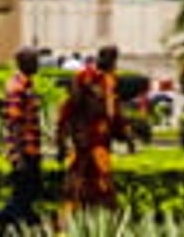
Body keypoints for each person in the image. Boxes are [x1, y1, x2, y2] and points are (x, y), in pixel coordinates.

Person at [56, 44, 135, 217]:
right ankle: (69, 224)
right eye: (109, 58)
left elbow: (114, 113)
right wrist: (61, 140)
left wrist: (127, 136)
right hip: (83, 143)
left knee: (102, 184)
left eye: (113, 58)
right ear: (101, 57)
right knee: (78, 184)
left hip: (101, 142)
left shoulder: (111, 81)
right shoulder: (84, 77)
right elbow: (68, 109)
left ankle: (103, 224)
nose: (112, 62)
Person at [0, 45, 44, 230]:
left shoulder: (28, 84)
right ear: (25, 62)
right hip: (23, 150)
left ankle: (22, 222)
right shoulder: (17, 87)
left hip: (31, 147)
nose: (38, 63)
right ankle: (1, 220)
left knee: (30, 190)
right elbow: (14, 123)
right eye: (35, 60)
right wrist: (19, 155)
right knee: (23, 192)